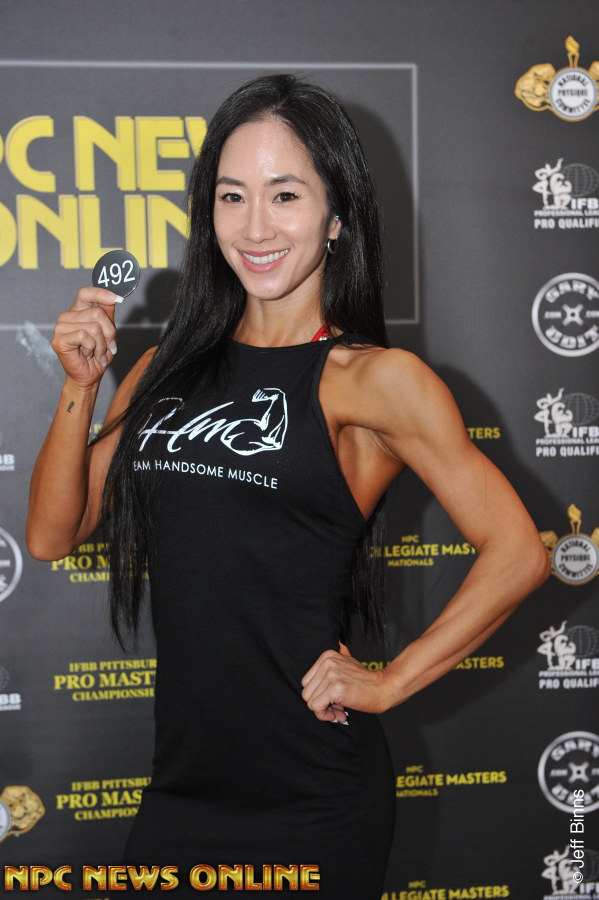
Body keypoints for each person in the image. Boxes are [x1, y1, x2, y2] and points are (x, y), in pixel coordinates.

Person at [26, 74, 549, 897]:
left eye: (285, 195)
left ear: (336, 216)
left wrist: (391, 680)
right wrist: (81, 387)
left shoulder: (374, 381)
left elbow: (518, 552)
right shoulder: (167, 367)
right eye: (232, 197)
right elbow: (53, 534)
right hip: (180, 792)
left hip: (313, 800)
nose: (255, 227)